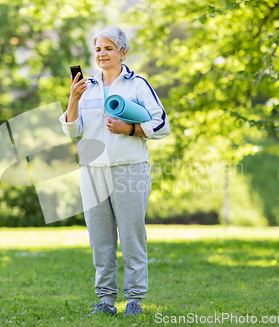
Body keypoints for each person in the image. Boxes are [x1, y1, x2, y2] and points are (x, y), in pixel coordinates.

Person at [59, 27, 170, 317]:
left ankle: (134, 299)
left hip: (129, 170)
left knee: (132, 238)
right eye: (98, 49)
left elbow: (161, 124)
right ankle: (105, 300)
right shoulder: (87, 87)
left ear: (122, 52)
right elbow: (73, 129)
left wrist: (130, 129)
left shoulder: (138, 85)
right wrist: (73, 99)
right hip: (92, 172)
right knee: (100, 240)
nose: (102, 54)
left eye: (108, 48)